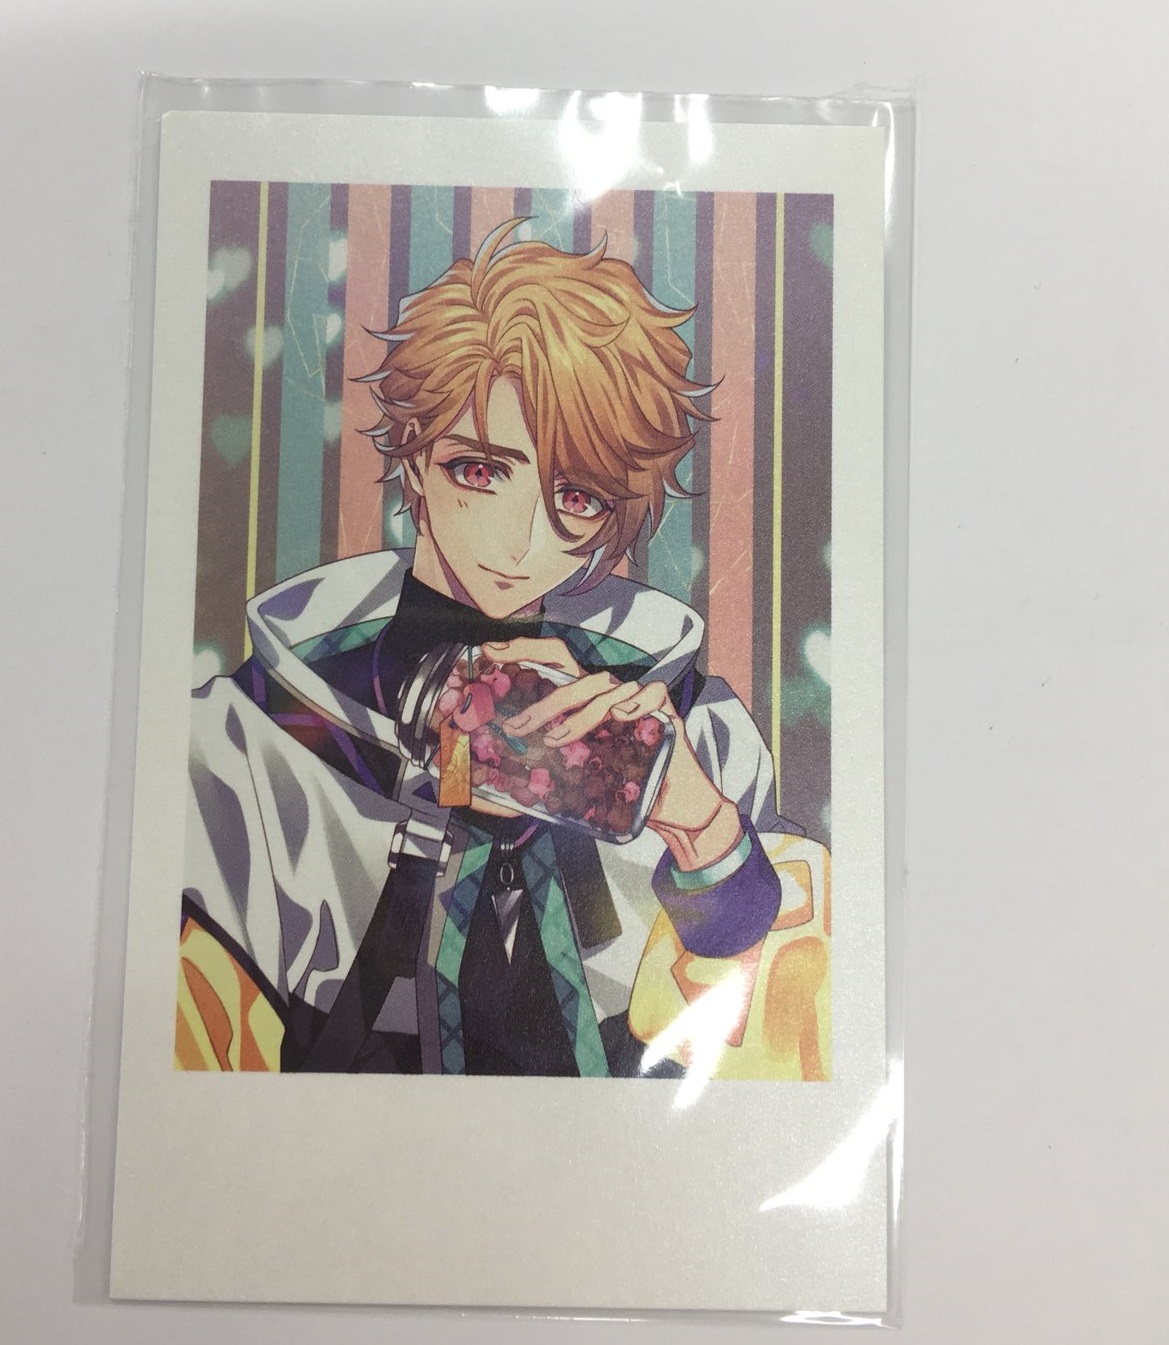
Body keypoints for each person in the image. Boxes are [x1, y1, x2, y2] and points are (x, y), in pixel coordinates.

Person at [175, 220, 830, 1079]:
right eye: (479, 470)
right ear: (415, 458)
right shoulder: (244, 744)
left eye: (578, 496)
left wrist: (698, 823)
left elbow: (774, 1049)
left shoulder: (685, 724)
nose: (520, 540)